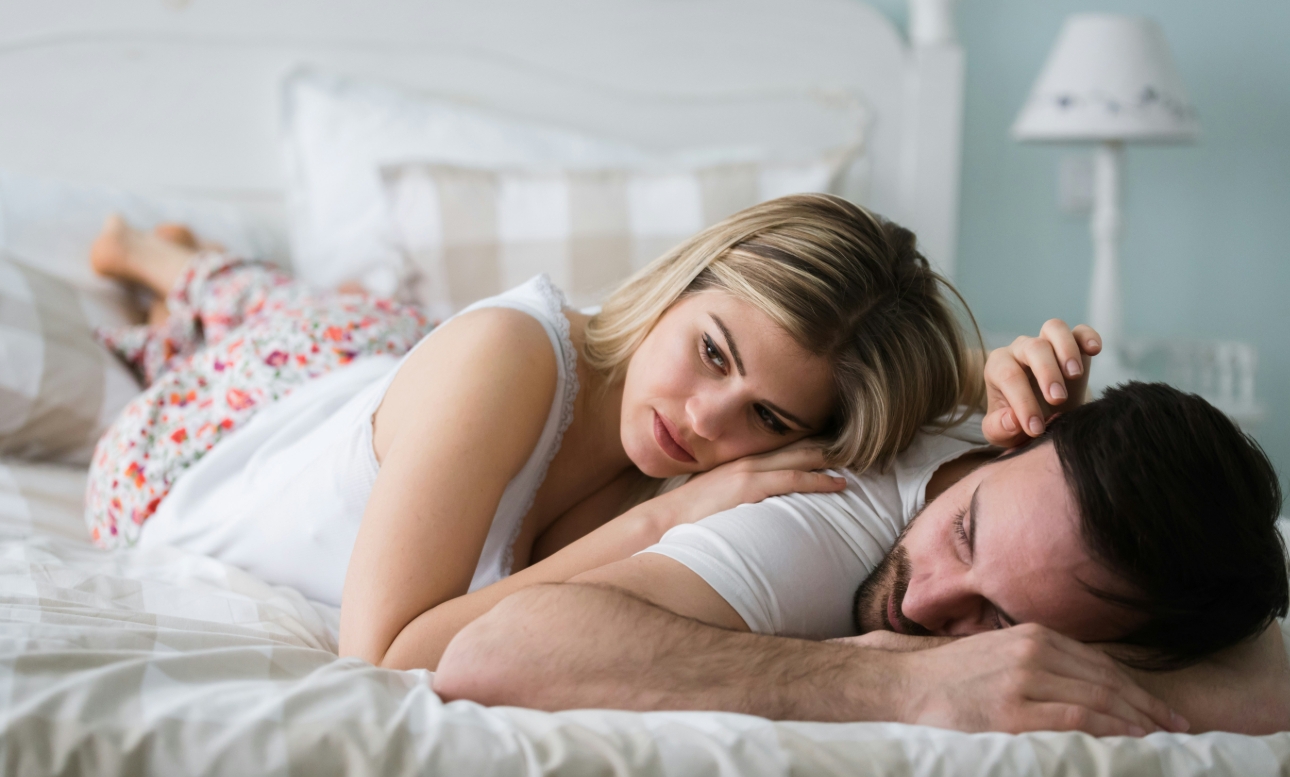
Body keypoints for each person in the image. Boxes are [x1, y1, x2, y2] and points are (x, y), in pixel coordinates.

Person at [84, 193, 993, 671]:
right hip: (210, 444)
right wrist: (657, 521)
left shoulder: (691, 432)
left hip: (391, 373)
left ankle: (188, 275)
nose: (704, 420)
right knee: (300, 321)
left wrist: (1006, 374)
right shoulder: (504, 356)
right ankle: (157, 257)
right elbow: (383, 653)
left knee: (363, 326)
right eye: (712, 352)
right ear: (684, 279)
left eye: (768, 416)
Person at [432, 367, 1290, 736]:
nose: (921, 602)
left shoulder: (1153, 563)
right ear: (1009, 442)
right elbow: (493, 651)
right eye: (964, 531)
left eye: (997, 621)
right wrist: (896, 680)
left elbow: (1266, 681)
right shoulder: (818, 523)